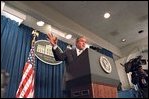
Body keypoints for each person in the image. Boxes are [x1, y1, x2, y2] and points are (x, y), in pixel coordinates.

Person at [47, 32, 87, 97]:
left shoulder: (86, 55)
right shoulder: (69, 51)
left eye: (85, 42)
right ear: (76, 42)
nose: (84, 43)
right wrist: (54, 45)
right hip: (70, 85)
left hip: (83, 85)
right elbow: (59, 57)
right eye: (82, 41)